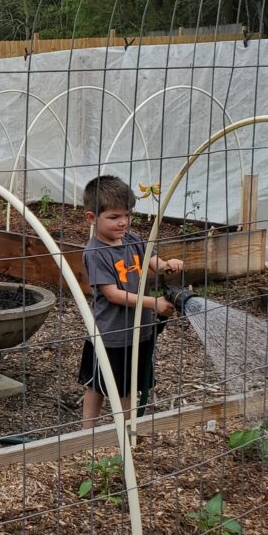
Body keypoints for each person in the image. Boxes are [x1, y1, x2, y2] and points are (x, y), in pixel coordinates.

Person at [79, 175, 184, 430]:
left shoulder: (133, 240)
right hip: (109, 335)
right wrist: (153, 303)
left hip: (139, 332)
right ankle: (85, 434)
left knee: (129, 386)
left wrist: (168, 265)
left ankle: (128, 432)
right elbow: (113, 294)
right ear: (92, 218)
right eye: (114, 217)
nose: (123, 222)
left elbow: (153, 261)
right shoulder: (95, 252)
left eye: (127, 215)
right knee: (96, 386)